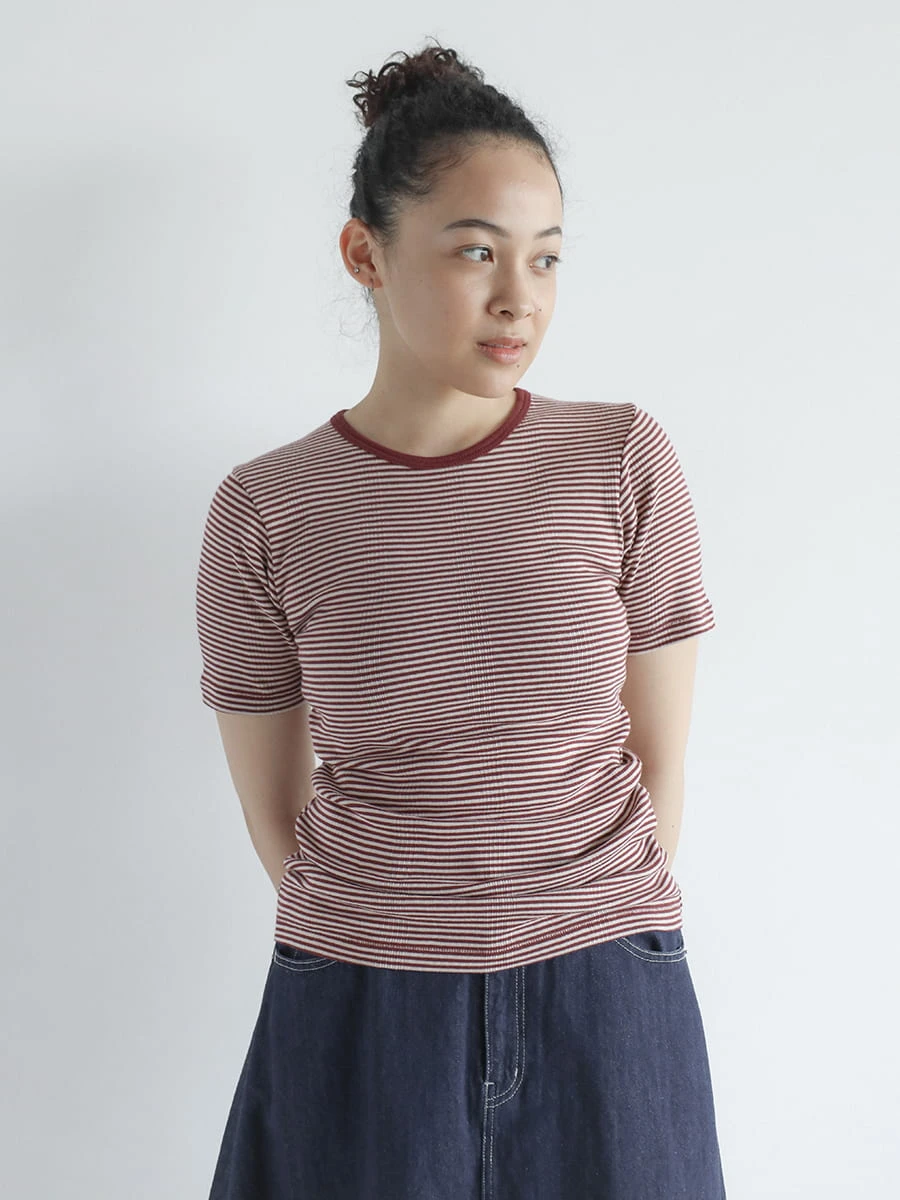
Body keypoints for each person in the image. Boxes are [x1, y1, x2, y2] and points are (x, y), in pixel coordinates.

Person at [195, 38, 728, 1200]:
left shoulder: (619, 457)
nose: (519, 297)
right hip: (361, 1002)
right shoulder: (266, 508)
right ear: (365, 253)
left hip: (608, 992)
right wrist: (392, 930)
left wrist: (582, 922)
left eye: (546, 257)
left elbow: (659, 766)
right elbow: (276, 811)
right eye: (477, 250)